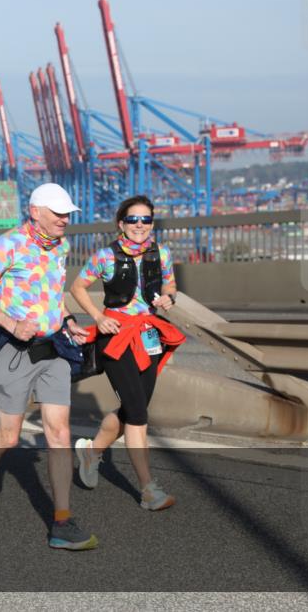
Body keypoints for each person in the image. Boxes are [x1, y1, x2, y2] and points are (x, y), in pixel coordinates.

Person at [0, 183, 98, 551]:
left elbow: (53, 296)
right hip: (13, 350)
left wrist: (69, 321)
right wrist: (11, 324)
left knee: (59, 431)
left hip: (52, 349)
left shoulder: (61, 246)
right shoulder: (10, 243)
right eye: (57, 213)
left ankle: (61, 522)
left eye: (67, 213)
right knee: (8, 436)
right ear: (35, 211)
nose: (65, 220)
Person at [69, 195, 185, 510]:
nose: (139, 225)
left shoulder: (161, 253)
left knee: (131, 410)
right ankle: (148, 490)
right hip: (116, 337)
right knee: (137, 415)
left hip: (148, 336)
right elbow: (77, 287)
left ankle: (91, 452)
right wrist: (98, 317)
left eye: (145, 219)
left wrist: (167, 300)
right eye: (132, 219)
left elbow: (171, 286)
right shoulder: (104, 256)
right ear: (121, 224)